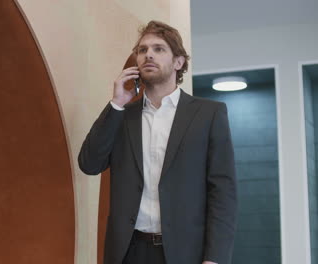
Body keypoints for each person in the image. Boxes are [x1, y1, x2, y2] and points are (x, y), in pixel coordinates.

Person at [78, 21, 237, 264]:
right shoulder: (122, 116)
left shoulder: (209, 114)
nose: (148, 54)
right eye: (142, 50)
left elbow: (223, 193)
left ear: (178, 62)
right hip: (128, 253)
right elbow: (89, 164)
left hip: (185, 254)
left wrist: (215, 258)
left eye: (159, 49)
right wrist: (116, 104)